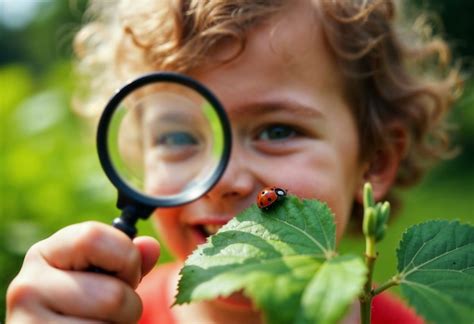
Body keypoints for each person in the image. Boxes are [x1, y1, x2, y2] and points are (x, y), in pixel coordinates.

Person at [6, 0, 461, 323]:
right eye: (180, 136)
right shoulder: (104, 314)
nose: (224, 180)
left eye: (278, 131)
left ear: (374, 162)